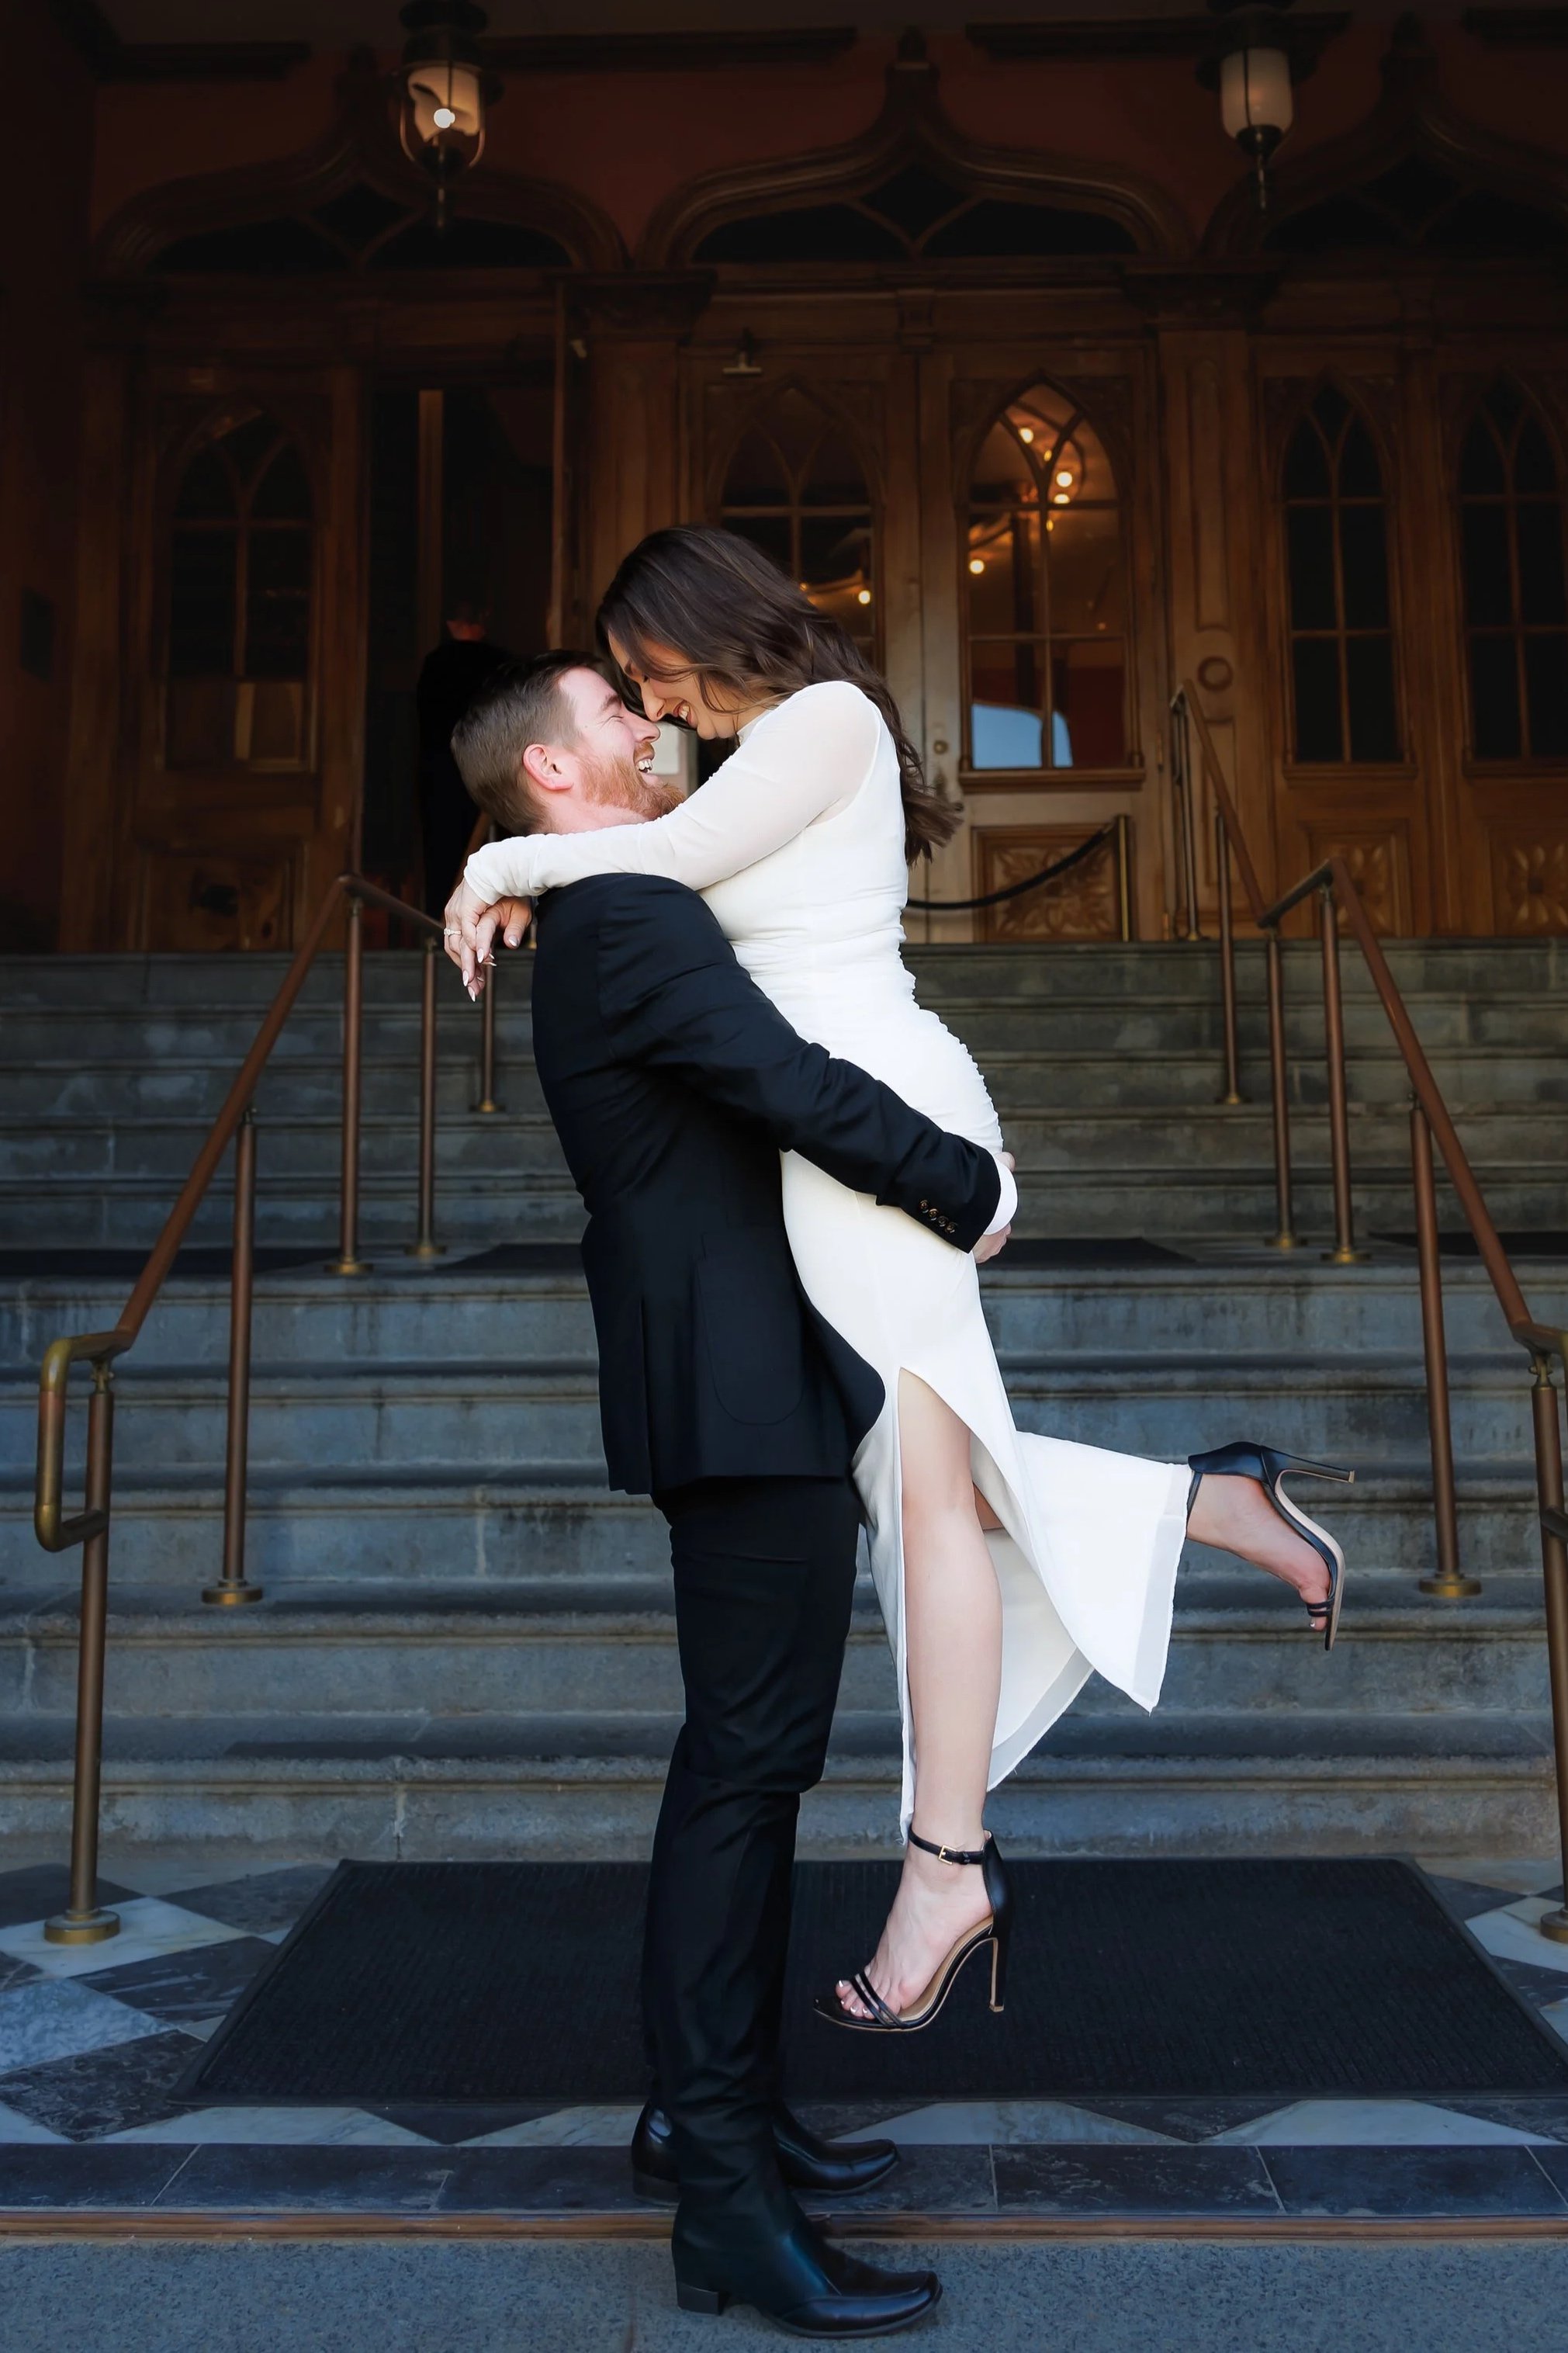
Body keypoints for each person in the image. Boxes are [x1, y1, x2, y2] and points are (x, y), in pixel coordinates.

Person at [448, 525, 1351, 2047]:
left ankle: (946, 1868)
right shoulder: (757, 756)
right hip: (833, 1140)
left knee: (922, 1495)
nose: (653, 705)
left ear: (697, 631)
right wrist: (547, 865)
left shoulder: (822, 721)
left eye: (648, 671)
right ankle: (1196, 1505)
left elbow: (660, 865)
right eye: (626, 694)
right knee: (911, 1473)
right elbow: (664, 869)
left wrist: (501, 861)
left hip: (875, 1124)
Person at [450, 650, 1017, 2335]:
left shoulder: (606, 896)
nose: (649, 726)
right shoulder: (623, 918)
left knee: (746, 1767)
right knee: (741, 1769)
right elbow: (775, 1081)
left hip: (744, 1371)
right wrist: (954, 1175)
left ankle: (724, 2118)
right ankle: (720, 2198)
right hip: (738, 1384)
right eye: (612, 716)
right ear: (551, 772)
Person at [415, 600, 511, 914]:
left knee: (443, 852)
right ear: (484, 618)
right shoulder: (501, 664)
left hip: (441, 773)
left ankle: (439, 925)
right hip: (491, 772)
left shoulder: (435, 665)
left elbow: (425, 723)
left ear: (449, 623)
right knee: (491, 851)